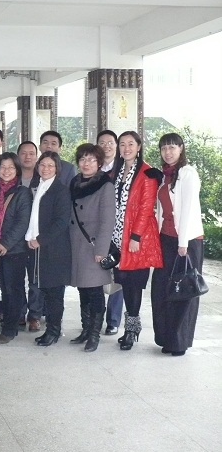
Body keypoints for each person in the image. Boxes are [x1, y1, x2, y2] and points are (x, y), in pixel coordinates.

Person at [151, 133, 204, 356]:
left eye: (172, 147)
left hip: (187, 241)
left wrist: (183, 243)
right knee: (162, 289)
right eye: (164, 148)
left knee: (184, 291)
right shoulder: (166, 176)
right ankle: (166, 338)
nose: (168, 152)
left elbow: (189, 209)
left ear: (181, 149)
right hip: (166, 239)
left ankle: (179, 343)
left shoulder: (187, 174)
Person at [111, 131, 163, 351]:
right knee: (124, 282)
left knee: (133, 285)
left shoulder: (147, 173)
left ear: (139, 146)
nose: (126, 148)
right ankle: (130, 328)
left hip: (136, 239)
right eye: (122, 144)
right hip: (118, 236)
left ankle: (132, 329)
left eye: (131, 144)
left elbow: (146, 207)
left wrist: (135, 236)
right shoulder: (117, 171)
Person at [68, 144, 116, 352]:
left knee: (95, 291)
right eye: (82, 159)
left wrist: (101, 250)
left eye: (91, 160)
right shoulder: (75, 183)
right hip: (76, 245)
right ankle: (86, 329)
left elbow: (108, 220)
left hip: (94, 245)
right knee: (83, 290)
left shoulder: (105, 185)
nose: (86, 163)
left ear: (99, 163)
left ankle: (95, 335)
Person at [25, 151, 71, 347]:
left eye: (50, 165)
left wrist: (40, 240)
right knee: (44, 289)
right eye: (42, 164)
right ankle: (50, 330)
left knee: (54, 293)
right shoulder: (37, 186)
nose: (46, 168)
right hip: (38, 248)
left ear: (57, 168)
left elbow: (61, 222)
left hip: (55, 249)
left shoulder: (60, 190)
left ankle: (54, 331)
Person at [0, 153, 31, 344]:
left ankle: (10, 328)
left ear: (17, 170)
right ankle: (9, 322)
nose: (6, 171)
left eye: (11, 167)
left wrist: (5, 244)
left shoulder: (22, 193)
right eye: (2, 167)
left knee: (13, 289)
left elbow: (22, 222)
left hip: (14, 250)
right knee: (4, 288)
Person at [97, 129, 123, 336]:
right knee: (96, 273)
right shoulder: (92, 168)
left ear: (116, 145)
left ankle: (113, 320)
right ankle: (95, 317)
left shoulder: (124, 168)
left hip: (119, 229)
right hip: (96, 229)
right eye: (102, 143)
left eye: (110, 142)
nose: (106, 146)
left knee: (118, 273)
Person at [17, 140, 42, 331]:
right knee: (16, 279)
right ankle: (18, 313)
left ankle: (35, 315)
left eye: (31, 153)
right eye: (23, 153)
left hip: (35, 238)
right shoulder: (11, 177)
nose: (27, 157)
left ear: (36, 156)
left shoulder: (42, 179)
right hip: (15, 238)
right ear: (18, 156)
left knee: (35, 280)